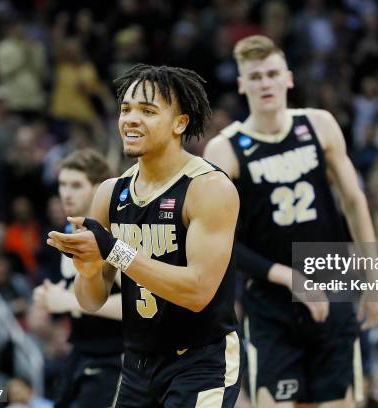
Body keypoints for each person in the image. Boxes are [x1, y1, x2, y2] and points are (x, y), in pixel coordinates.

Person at [204, 35, 378, 407]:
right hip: (269, 302)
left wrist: (375, 279)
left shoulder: (319, 125)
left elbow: (353, 201)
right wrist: (287, 276)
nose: (265, 83)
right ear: (241, 85)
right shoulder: (225, 149)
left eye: (272, 74)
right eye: (255, 77)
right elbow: (213, 241)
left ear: (288, 78)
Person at [47, 64, 242, 408]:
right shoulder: (110, 193)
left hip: (201, 360)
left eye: (148, 111)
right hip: (137, 363)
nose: (131, 119)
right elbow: (90, 300)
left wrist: (115, 251)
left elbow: (198, 291)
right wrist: (89, 268)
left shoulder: (208, 188)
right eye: (126, 109)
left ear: (180, 123)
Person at [33, 148, 123, 408]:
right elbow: (68, 293)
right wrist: (47, 299)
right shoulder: (65, 234)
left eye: (76, 185)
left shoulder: (112, 235)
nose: (66, 193)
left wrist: (69, 301)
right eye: (62, 184)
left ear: (98, 188)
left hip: (115, 358)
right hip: (80, 353)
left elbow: (136, 304)